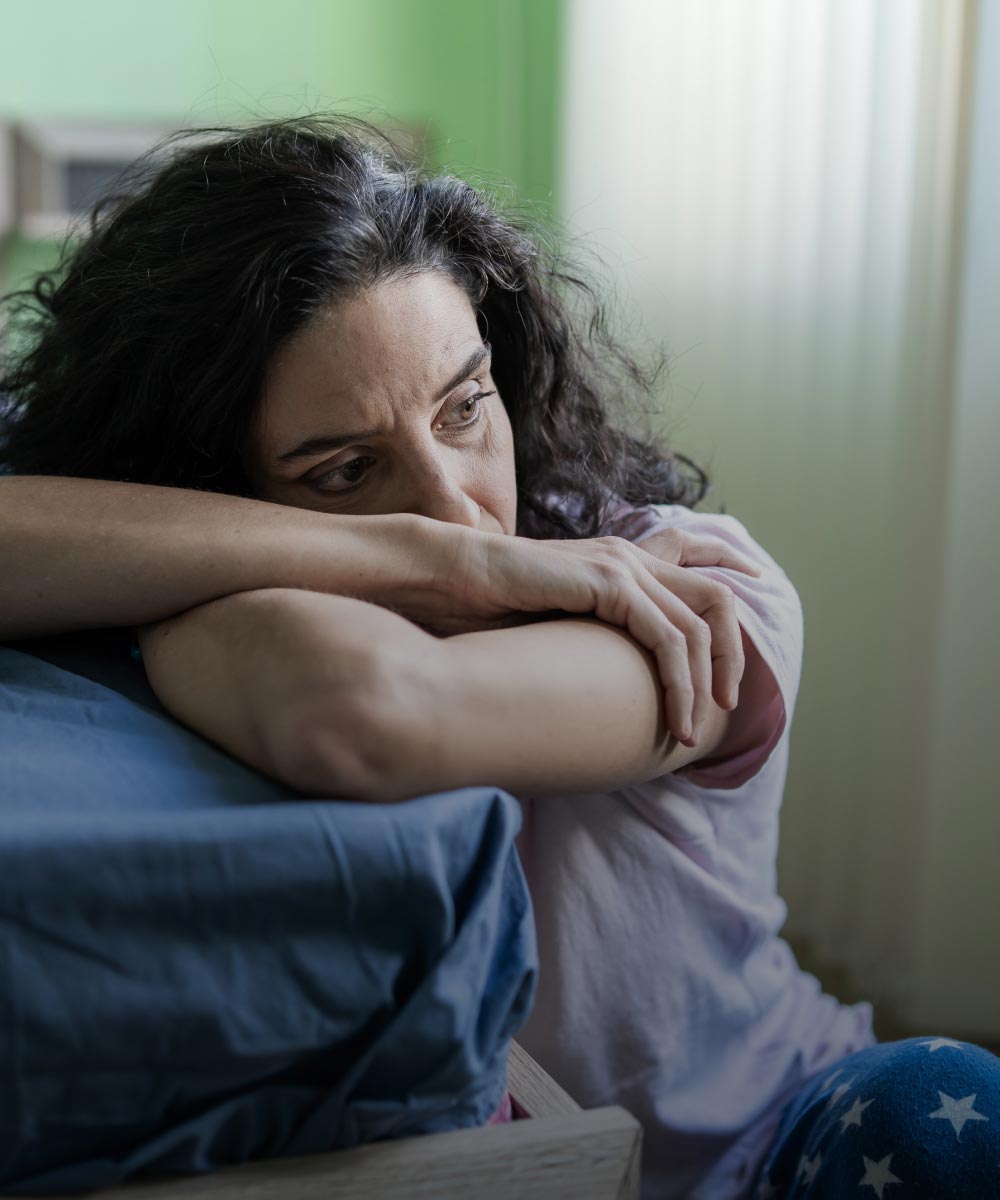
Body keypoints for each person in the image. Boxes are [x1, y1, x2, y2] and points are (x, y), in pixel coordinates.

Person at [0, 116, 996, 1200]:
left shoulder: (689, 592)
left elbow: (366, 711)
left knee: (938, 1109)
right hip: (502, 1168)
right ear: (214, 488)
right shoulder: (340, 578)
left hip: (774, 1142)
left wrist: (169, 573)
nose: (455, 512)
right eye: (345, 471)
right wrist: (426, 562)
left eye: (465, 408)